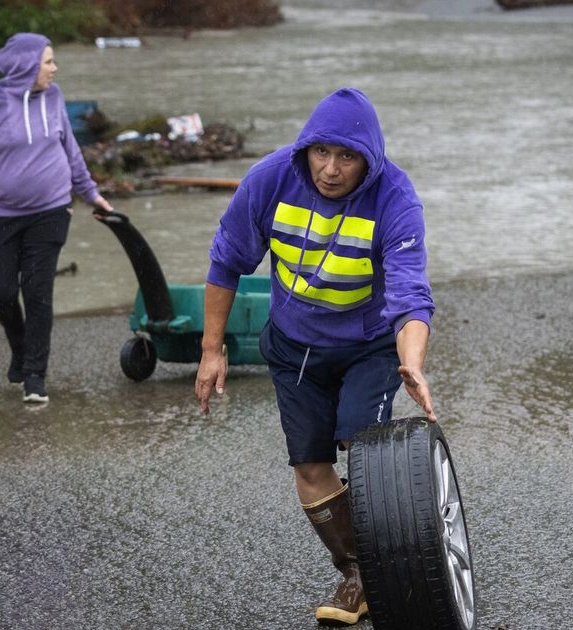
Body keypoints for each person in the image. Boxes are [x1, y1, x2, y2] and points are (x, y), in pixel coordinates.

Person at [194, 87, 436, 626]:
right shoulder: (271, 179)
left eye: (346, 156)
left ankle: (394, 555)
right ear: (305, 149)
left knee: (364, 447)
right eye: (320, 152)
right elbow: (226, 260)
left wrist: (412, 363)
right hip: (294, 343)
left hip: (369, 345)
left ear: (368, 159)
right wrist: (211, 350)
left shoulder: (395, 198)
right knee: (309, 464)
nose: (330, 169)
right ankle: (359, 574)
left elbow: (410, 295)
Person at [0, 32, 112, 403]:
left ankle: (34, 377)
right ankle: (20, 346)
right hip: (0, 215)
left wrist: (91, 193)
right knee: (0, 292)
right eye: (48, 62)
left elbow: (70, 149)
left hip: (52, 211)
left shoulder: (55, 98)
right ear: (26, 65)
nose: (54, 69)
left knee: (38, 292)